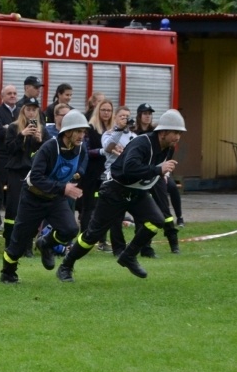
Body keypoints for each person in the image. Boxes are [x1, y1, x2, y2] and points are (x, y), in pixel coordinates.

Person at [55, 109, 187, 281]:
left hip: (136, 192)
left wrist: (160, 174)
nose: (178, 137)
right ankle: (66, 266)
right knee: (92, 236)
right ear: (162, 132)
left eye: (180, 133)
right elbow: (129, 168)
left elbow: (151, 171)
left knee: (156, 220)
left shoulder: (167, 148)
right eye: (175, 132)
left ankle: (128, 256)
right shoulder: (142, 143)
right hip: (114, 191)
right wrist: (157, 170)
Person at [0, 110, 89, 283]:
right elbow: (36, 178)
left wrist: (75, 178)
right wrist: (64, 188)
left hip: (55, 198)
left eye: (83, 131)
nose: (81, 135)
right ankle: (8, 273)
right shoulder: (49, 148)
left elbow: (80, 167)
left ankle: (46, 243)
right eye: (78, 131)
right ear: (67, 131)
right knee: (18, 241)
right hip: (33, 197)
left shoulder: (81, 149)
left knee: (70, 229)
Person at [133, 102, 182, 256]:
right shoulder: (137, 134)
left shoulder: (169, 143)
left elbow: (166, 160)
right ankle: (144, 247)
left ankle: (174, 243)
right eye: (145, 113)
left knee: (164, 210)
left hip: (158, 176)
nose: (148, 116)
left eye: (150, 113)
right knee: (142, 213)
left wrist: (165, 174)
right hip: (142, 176)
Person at [3, 96, 47, 247]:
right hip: (16, 171)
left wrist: (39, 140)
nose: (31, 113)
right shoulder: (13, 127)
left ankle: (27, 244)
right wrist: (22, 135)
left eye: (34, 110)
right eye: (28, 109)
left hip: (33, 173)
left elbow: (47, 153)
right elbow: (9, 149)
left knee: (30, 208)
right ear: (23, 110)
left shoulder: (42, 129)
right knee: (13, 206)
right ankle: (9, 241)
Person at [102, 105, 138, 256]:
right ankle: (118, 248)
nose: (125, 119)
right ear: (115, 118)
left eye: (127, 116)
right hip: (113, 179)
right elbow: (107, 148)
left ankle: (141, 245)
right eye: (122, 116)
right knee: (115, 216)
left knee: (140, 213)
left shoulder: (135, 137)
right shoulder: (108, 134)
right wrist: (119, 130)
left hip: (130, 179)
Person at [79, 98, 113, 249]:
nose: (106, 113)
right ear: (98, 110)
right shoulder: (90, 128)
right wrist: (101, 151)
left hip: (107, 172)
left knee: (104, 207)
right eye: (103, 110)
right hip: (91, 172)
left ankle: (102, 241)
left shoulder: (114, 130)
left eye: (109, 110)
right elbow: (85, 150)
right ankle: (84, 238)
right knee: (88, 207)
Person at [0, 85, 19, 231]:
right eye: (9, 93)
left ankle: (12, 219)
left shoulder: (21, 111)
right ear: (3, 96)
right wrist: (14, 128)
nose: (12, 95)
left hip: (16, 155)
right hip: (1, 155)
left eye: (14, 93)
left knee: (15, 189)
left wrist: (8, 127)